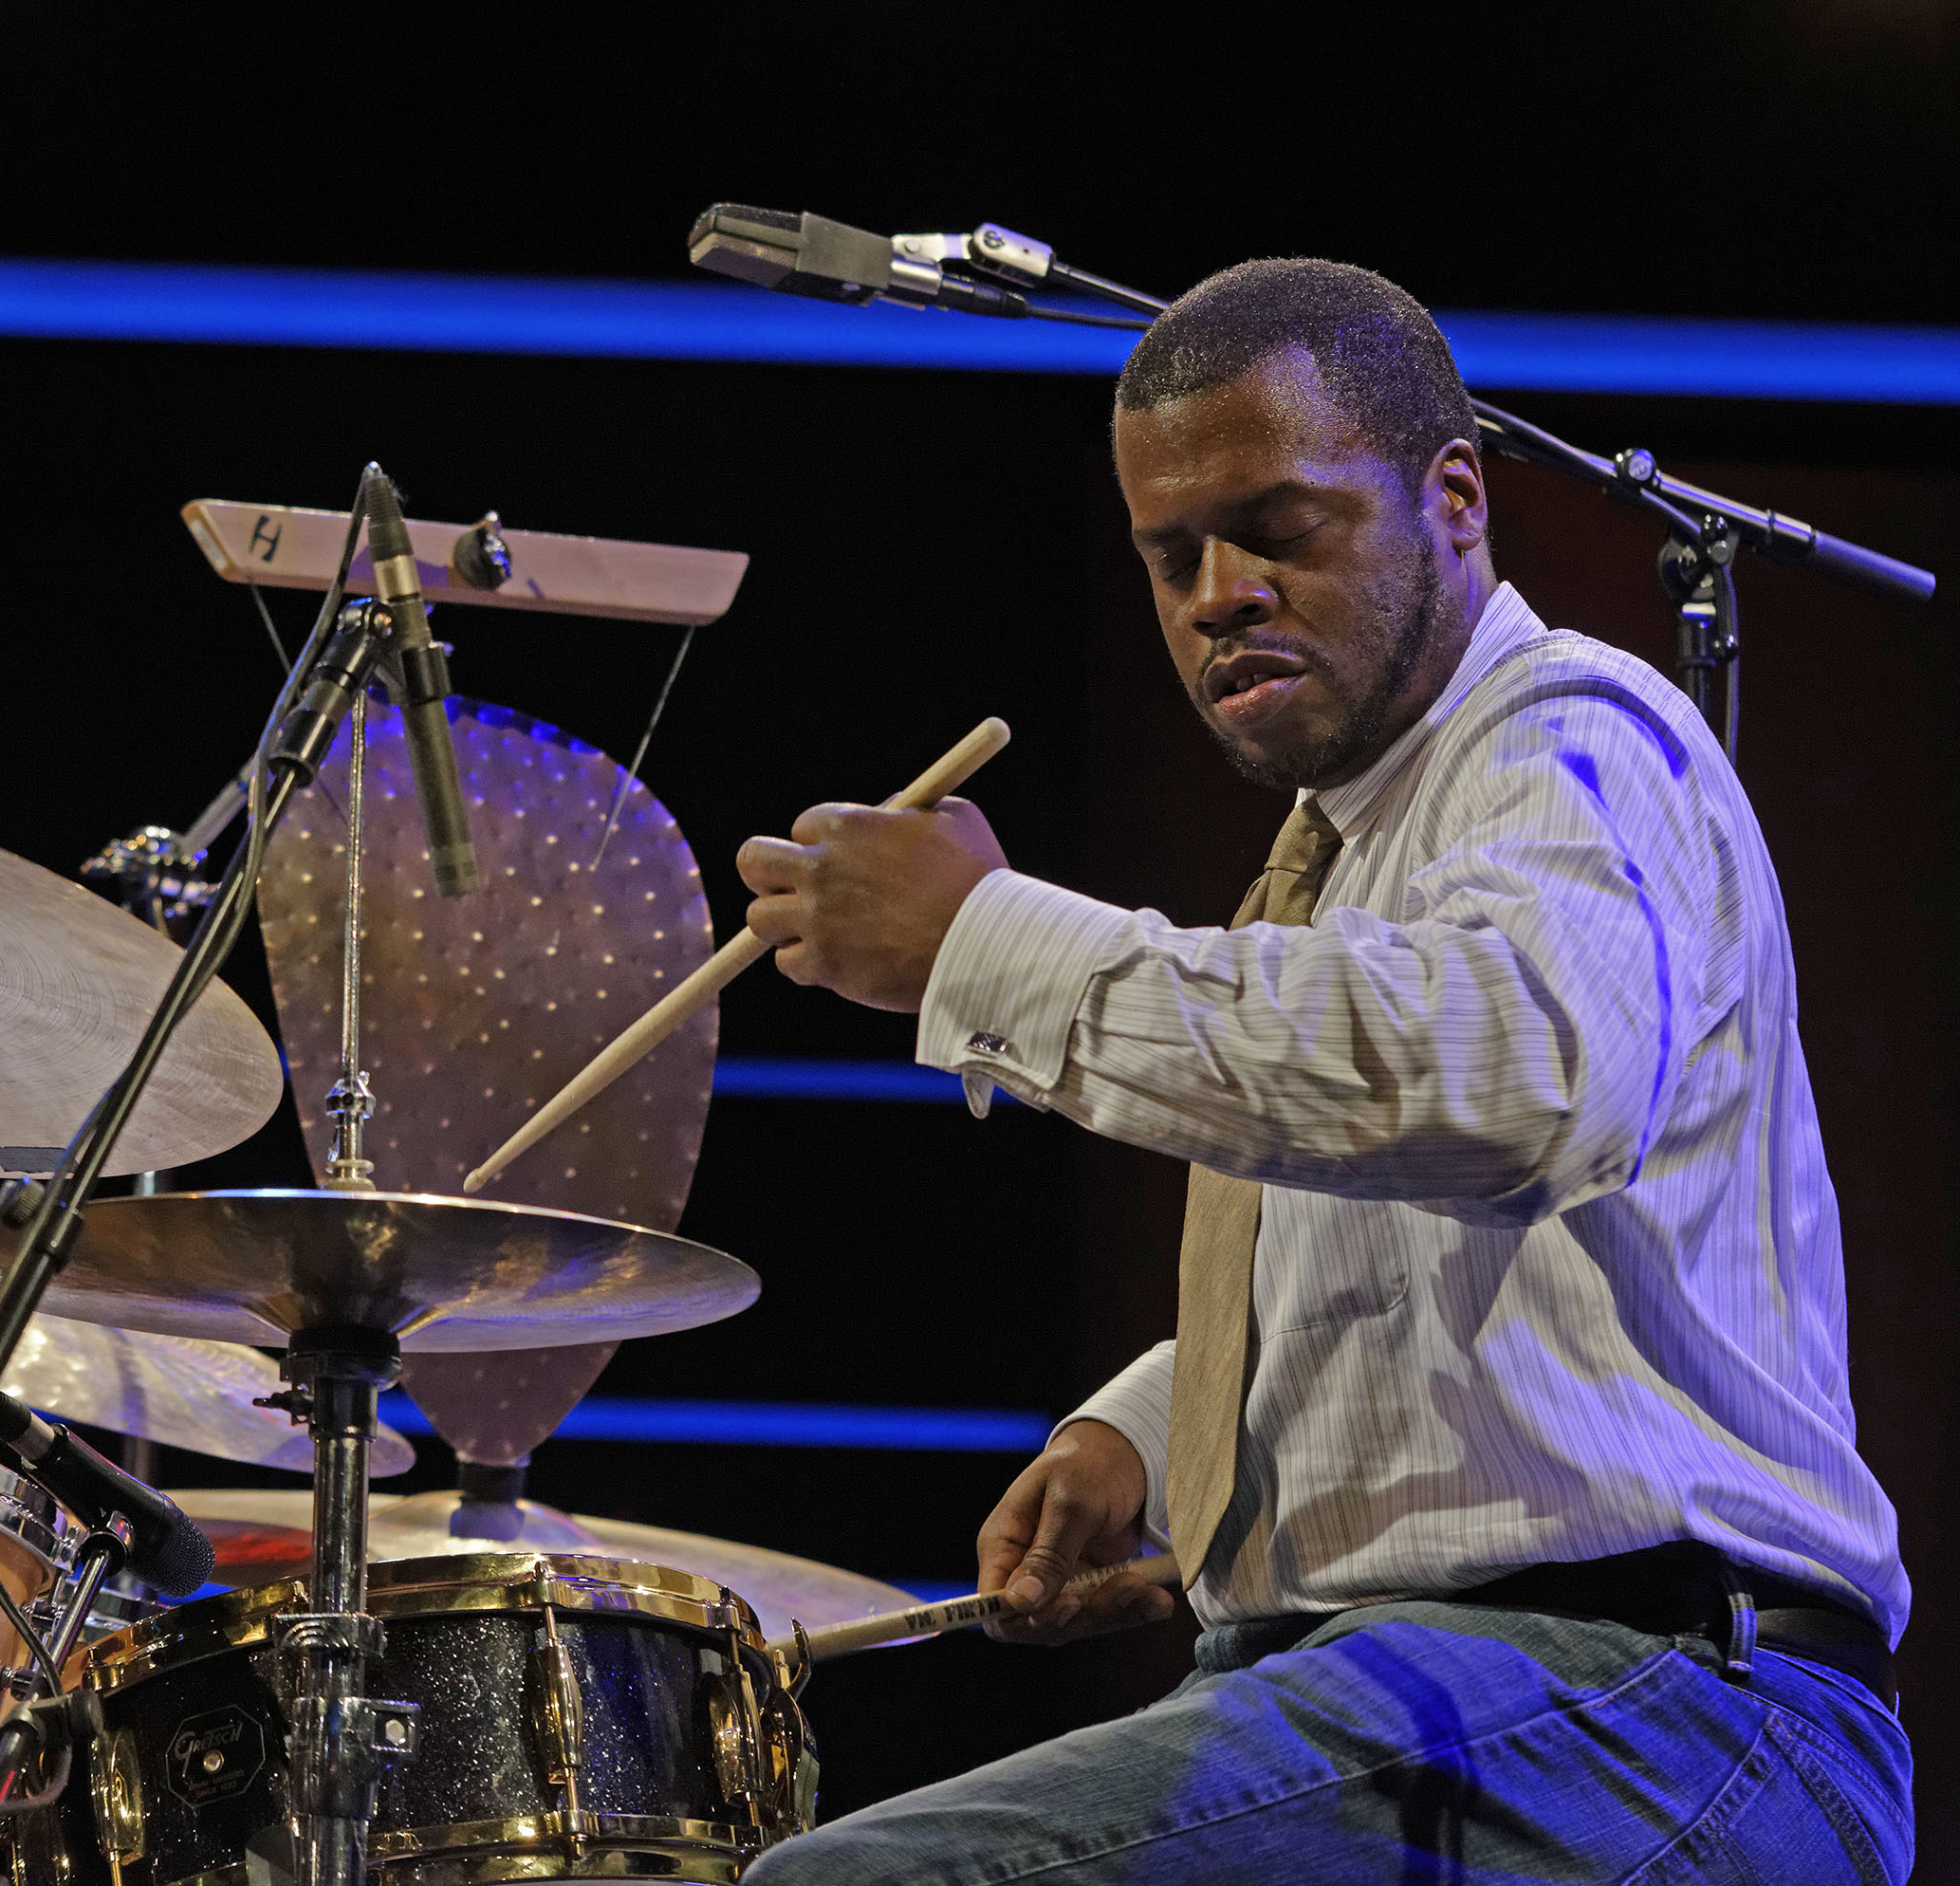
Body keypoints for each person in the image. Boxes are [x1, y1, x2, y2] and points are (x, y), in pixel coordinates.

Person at [733, 259, 1913, 1883]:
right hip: (1466, 1689)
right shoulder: (1342, 862)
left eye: (1277, 528)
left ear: (1453, 500)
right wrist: (1161, 1430)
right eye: (1169, 559)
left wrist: (983, 945)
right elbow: (1445, 1238)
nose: (1217, 593)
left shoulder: (1570, 732)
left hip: (1659, 1705)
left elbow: (1511, 1086)